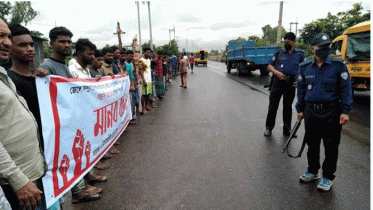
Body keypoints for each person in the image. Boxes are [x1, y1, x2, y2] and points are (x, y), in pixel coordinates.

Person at [38, 27, 101, 204]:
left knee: (74, 156)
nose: (66, 45)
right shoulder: (47, 67)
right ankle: (76, 193)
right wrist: (41, 74)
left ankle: (79, 190)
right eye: (62, 41)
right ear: (51, 43)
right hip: (59, 125)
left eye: (68, 42)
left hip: (69, 122)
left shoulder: (63, 66)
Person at [0, 19, 48, 210]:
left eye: (8, 37)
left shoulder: (2, 74)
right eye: (0, 36)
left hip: (31, 175)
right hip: (17, 183)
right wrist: (17, 179)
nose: (7, 42)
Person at [296, 33, 352, 191]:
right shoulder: (305, 67)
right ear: (313, 48)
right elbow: (300, 89)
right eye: (322, 47)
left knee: (331, 146)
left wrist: (346, 111)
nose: (325, 50)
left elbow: (345, 89)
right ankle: (313, 171)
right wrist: (299, 108)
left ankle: (328, 176)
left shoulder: (338, 65)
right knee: (312, 145)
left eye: (328, 47)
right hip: (311, 112)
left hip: (332, 112)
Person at [264, 32, 306, 137]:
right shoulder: (279, 53)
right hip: (277, 82)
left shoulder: (300, 54)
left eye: (288, 42)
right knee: (273, 106)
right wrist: (277, 72)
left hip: (291, 83)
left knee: (288, 107)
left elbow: (305, 69)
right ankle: (268, 128)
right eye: (285, 42)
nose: (286, 43)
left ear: (294, 42)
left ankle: (287, 129)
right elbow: (270, 66)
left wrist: (300, 81)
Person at [139, 48, 153, 114]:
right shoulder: (141, 60)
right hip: (144, 79)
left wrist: (151, 79)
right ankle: (143, 108)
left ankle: (147, 106)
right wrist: (143, 80)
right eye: (147, 52)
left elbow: (149, 70)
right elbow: (140, 71)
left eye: (150, 52)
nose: (149, 53)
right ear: (144, 52)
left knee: (148, 93)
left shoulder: (149, 60)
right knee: (144, 94)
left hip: (149, 79)